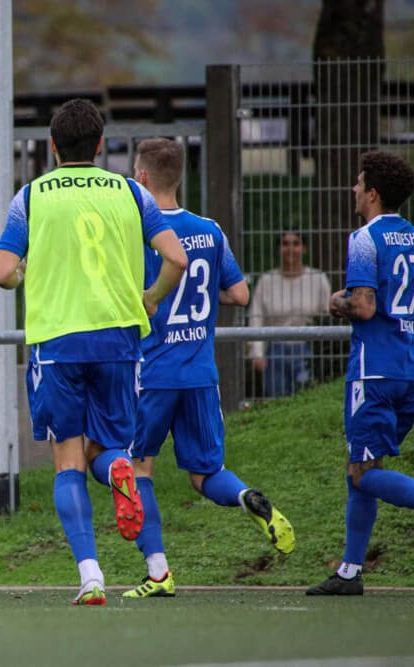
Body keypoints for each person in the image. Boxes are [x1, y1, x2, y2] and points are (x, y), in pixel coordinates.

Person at [0, 99, 188, 606]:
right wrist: (151, 298)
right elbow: (176, 258)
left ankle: (91, 576)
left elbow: (0, 271)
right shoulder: (131, 191)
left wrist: (25, 274)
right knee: (112, 451)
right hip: (119, 338)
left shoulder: (32, 196)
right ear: (100, 146)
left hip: (58, 340)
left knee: (66, 461)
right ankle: (121, 479)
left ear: (53, 146)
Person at [125, 138, 295, 598]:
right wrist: (198, 304)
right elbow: (239, 295)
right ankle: (245, 497)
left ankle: (158, 571)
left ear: (141, 178)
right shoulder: (210, 230)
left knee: (138, 469)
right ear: (179, 177)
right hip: (200, 373)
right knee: (206, 474)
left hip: (152, 373)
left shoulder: (139, 231)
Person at [307, 151, 414, 595]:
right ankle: (350, 573)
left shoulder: (364, 239)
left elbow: (363, 306)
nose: (354, 191)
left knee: (362, 472)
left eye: (358, 185)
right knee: (361, 465)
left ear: (372, 193)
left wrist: (336, 301)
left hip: (373, 373)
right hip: (411, 373)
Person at [247, 230, 331, 397]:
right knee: (276, 402)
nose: (290, 249)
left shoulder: (318, 278)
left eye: (295, 244)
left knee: (308, 398)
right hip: (275, 349)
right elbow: (256, 317)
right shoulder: (266, 280)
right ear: (279, 249)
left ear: (304, 248)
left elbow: (327, 315)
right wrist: (257, 353)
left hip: (308, 348)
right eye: (285, 244)